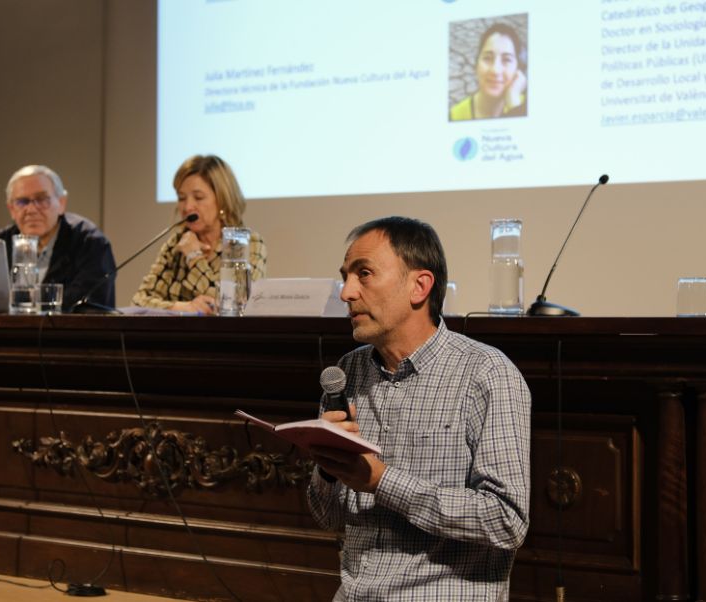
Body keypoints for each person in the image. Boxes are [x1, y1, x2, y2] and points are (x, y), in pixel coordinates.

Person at [307, 216, 530, 601]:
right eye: (345, 276)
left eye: (364, 274)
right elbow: (327, 518)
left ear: (419, 286)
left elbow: (506, 520)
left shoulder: (486, 374)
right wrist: (328, 472)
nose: (346, 292)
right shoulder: (347, 372)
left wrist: (381, 481)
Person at [132, 155, 267, 313]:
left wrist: (194, 257)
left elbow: (234, 305)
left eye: (198, 197)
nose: (188, 206)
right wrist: (183, 307)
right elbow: (138, 302)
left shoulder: (244, 242)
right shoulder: (176, 243)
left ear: (222, 199)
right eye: (182, 198)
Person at [0, 165, 116, 309]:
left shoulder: (90, 243)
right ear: (11, 209)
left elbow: (91, 305)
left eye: (42, 199)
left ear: (61, 203)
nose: (31, 209)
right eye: (22, 202)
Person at [450, 23, 527, 121]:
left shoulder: (527, 106)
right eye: (487, 58)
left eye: (506, 60)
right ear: (476, 65)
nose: (495, 70)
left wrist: (514, 105)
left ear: (518, 68)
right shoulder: (455, 116)